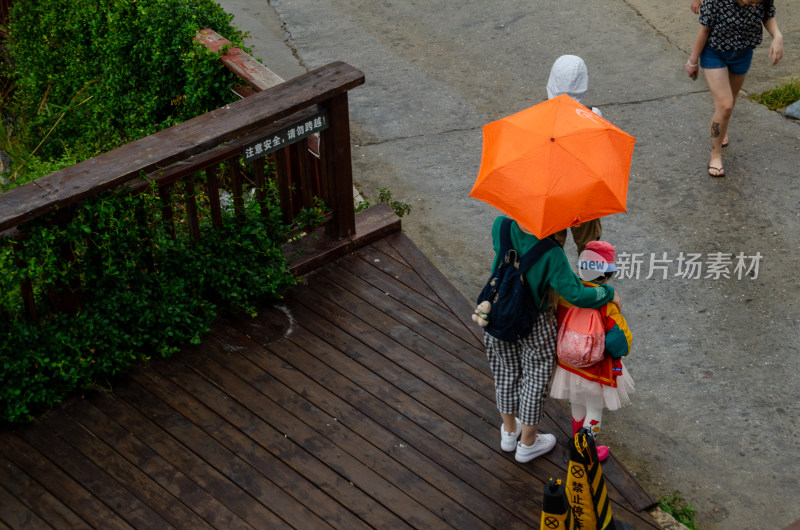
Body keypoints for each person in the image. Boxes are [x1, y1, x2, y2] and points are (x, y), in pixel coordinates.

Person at [484, 216, 621, 463]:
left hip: (498, 314)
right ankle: (527, 444)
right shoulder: (551, 253)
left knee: (505, 373)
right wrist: (608, 292)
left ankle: (509, 433)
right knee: (534, 380)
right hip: (534, 323)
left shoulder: (501, 226)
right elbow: (576, 294)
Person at [549, 241, 633, 462]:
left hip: (568, 364)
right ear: (608, 275)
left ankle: (576, 438)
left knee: (576, 403)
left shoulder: (568, 295)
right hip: (595, 369)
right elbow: (618, 342)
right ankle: (586, 449)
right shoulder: (608, 304)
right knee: (594, 409)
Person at [685, 0, 783, 177]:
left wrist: (777, 36)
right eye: (751, 1)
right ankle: (715, 155)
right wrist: (693, 61)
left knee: (729, 102)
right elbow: (705, 30)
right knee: (726, 105)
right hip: (714, 53)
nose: (755, 6)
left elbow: (768, 15)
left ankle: (722, 126)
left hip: (743, 54)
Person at [546, 55, 602, 253]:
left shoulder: (538, 115)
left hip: (551, 194)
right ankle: (593, 282)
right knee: (590, 246)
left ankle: (552, 283)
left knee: (550, 247)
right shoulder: (594, 115)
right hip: (582, 194)